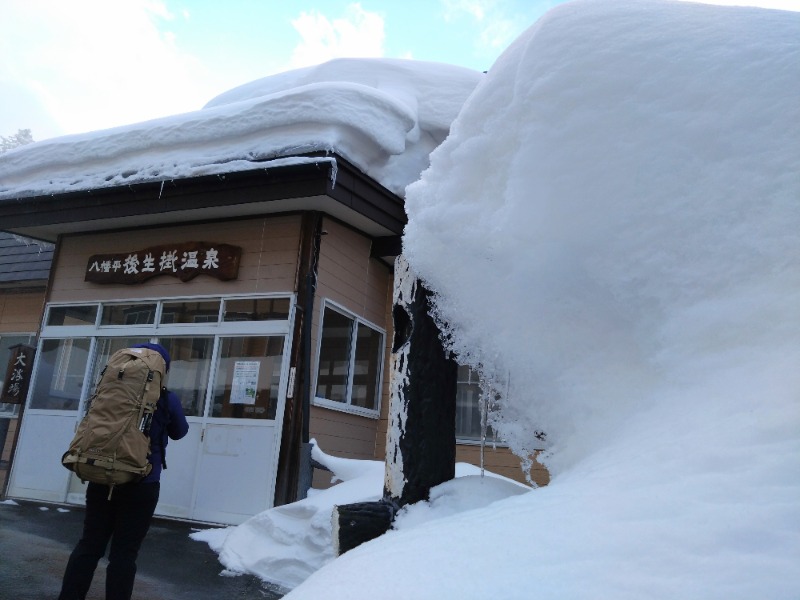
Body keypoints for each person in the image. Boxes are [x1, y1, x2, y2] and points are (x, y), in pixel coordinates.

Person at [58, 343, 189, 600]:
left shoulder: (106, 391)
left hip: (101, 476)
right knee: (124, 554)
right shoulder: (166, 399)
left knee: (89, 545)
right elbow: (179, 432)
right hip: (142, 483)